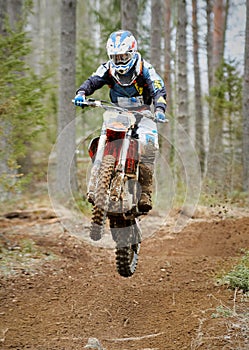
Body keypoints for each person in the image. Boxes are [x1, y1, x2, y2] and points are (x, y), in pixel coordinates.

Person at [74, 30, 167, 212]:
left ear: (132, 53)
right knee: (103, 137)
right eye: (116, 57)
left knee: (149, 146)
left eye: (124, 56)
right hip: (116, 111)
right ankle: (97, 181)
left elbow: (158, 88)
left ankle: (145, 192)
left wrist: (160, 109)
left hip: (143, 113)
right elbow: (93, 80)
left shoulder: (145, 69)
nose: (120, 61)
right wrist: (81, 93)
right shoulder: (107, 68)